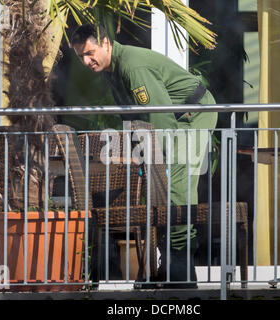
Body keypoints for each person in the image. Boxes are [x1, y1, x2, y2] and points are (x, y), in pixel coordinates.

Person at [71, 24, 218, 287]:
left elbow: (160, 119)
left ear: (106, 42)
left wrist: (157, 162)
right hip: (170, 120)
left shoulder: (132, 66)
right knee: (159, 189)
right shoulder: (111, 68)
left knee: (176, 188)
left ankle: (181, 274)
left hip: (190, 115)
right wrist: (140, 155)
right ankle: (171, 267)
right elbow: (134, 117)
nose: (86, 61)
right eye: (80, 56)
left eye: (90, 53)